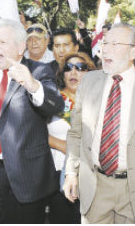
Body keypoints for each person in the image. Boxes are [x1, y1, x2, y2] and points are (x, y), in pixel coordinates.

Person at [0, 19, 64, 223]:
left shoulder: (39, 71)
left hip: (25, 173)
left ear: (21, 47)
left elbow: (55, 105)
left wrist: (32, 85)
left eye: (3, 42)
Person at [64, 23, 135, 223]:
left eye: (115, 44)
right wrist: (71, 172)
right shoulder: (88, 82)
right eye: (105, 43)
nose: (105, 49)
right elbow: (76, 133)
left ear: (134, 52)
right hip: (95, 186)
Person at [47, 52, 95, 224]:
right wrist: (66, 147)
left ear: (90, 72)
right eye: (68, 68)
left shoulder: (98, 101)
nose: (73, 72)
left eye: (81, 68)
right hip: (58, 174)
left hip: (92, 175)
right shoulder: (52, 100)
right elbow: (36, 132)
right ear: (62, 74)